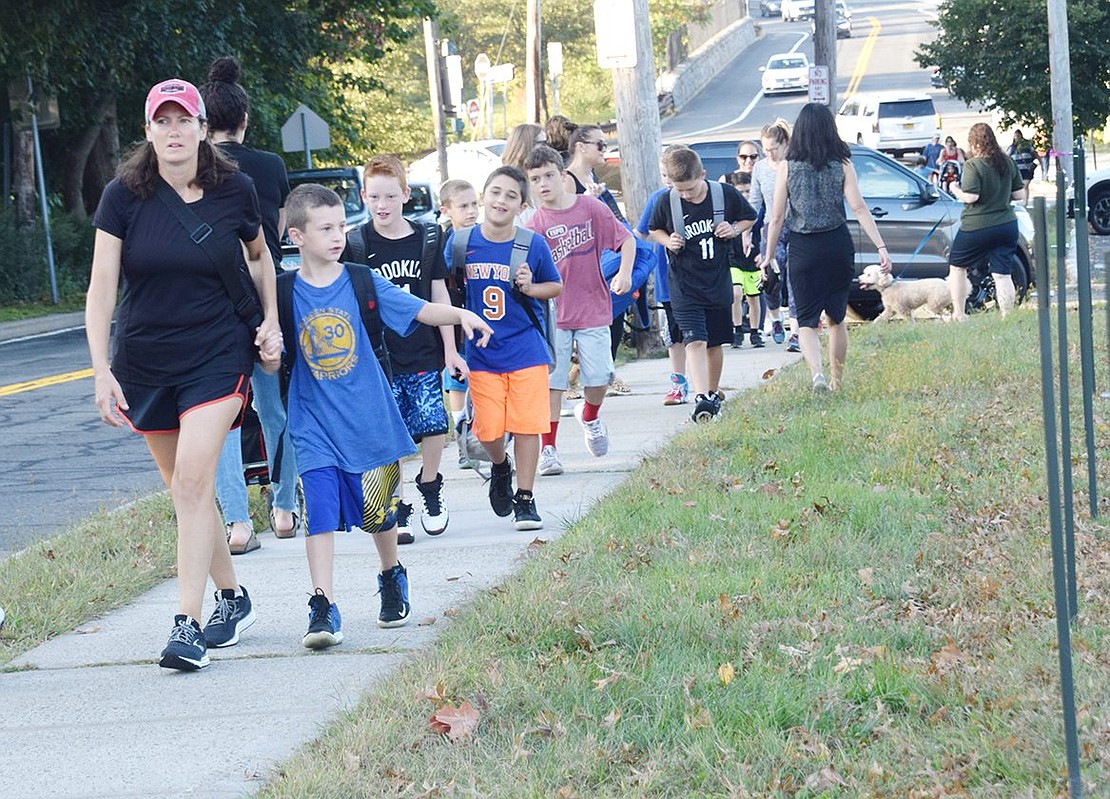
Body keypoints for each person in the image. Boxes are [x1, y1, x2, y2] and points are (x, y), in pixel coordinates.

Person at [86, 78, 282, 671]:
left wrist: (270, 320)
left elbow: (260, 258)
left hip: (218, 354)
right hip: (145, 360)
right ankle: (233, 596)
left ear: (202, 128)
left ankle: (186, 624)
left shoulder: (236, 190)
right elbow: (100, 291)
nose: (173, 131)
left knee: (194, 484)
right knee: (186, 492)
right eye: (162, 121)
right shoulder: (123, 197)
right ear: (148, 131)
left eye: (184, 120)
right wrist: (100, 370)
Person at [281, 184, 490, 648]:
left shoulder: (359, 280)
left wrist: (461, 315)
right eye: (326, 228)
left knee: (379, 515)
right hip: (313, 422)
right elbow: (268, 345)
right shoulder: (281, 291)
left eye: (340, 226)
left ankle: (391, 573)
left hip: (369, 419)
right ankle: (322, 605)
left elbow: (417, 308)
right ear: (296, 235)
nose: (338, 236)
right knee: (318, 514)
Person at [200, 56, 297, 555]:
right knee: (276, 404)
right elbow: (275, 234)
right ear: (244, 119)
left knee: (220, 413)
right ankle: (284, 508)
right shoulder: (269, 166)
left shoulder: (194, 171)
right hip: (268, 293)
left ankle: (237, 523)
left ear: (202, 123)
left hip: (215, 300)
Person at [342, 155, 465, 545]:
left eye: (390, 196)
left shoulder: (428, 238)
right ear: (363, 196)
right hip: (380, 356)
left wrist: (450, 349)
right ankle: (396, 502)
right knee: (389, 433)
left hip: (423, 348)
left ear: (405, 195)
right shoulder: (356, 243)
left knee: (432, 424)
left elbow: (438, 291)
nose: (382, 205)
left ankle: (430, 486)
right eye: (374, 196)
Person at [444, 166, 562, 528]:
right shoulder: (461, 242)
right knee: (488, 431)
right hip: (481, 353)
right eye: (496, 192)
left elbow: (553, 287)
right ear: (484, 196)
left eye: (511, 196)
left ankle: (525, 497)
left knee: (528, 426)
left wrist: (530, 287)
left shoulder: (531, 243)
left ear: (521, 204)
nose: (501, 200)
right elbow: (446, 292)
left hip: (525, 348)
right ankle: (500, 465)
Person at [760, 102, 892, 393]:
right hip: (837, 245)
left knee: (806, 320)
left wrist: (768, 256)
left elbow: (778, 217)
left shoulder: (787, 167)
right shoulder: (842, 164)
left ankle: (817, 374)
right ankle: (837, 382)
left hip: (804, 248)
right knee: (836, 317)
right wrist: (880, 246)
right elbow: (858, 207)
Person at [524, 145, 635, 475]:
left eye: (548, 176)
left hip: (593, 307)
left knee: (599, 376)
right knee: (552, 384)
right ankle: (549, 448)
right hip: (554, 315)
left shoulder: (590, 209)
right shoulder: (534, 225)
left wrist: (625, 273)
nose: (543, 184)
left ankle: (589, 416)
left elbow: (625, 240)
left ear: (562, 175)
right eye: (535, 179)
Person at [648, 147, 756, 422]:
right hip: (684, 284)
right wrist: (666, 241)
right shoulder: (666, 201)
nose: (686, 195)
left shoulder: (724, 194)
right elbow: (654, 229)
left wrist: (734, 229)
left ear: (703, 176)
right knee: (694, 339)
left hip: (716, 280)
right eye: (680, 190)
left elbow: (749, 217)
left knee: (714, 343)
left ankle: (711, 390)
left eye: (691, 189)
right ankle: (701, 397)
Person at [946, 122, 1025, 321]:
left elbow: (971, 197)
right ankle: (1007, 317)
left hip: (978, 226)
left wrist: (955, 189)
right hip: (1007, 225)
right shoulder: (1007, 161)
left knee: (957, 266)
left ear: (974, 143)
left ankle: (959, 313)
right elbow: (1019, 194)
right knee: (1002, 275)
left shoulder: (974, 164)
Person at [637, 146, 689, 406]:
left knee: (703, 335)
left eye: (671, 175)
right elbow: (642, 233)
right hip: (668, 279)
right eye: (664, 175)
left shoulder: (699, 195)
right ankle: (678, 384)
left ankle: (708, 384)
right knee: (675, 335)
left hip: (699, 279)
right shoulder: (658, 198)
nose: (668, 181)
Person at [438, 179, 481, 469]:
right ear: (447, 211)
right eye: (463, 206)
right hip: (457, 318)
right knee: (457, 381)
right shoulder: (448, 243)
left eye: (474, 204)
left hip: (482, 318)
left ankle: (477, 435)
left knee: (479, 380)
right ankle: (463, 434)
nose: (471, 211)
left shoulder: (484, 236)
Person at [750, 120, 798, 352]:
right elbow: (754, 203)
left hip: (796, 224)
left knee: (795, 278)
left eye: (774, 149)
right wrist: (747, 232)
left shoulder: (794, 164)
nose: (770, 154)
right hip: (771, 226)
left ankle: (797, 332)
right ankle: (776, 318)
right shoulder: (760, 168)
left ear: (785, 144)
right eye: (766, 149)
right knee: (771, 277)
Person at [728, 171, 765, 349]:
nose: (744, 196)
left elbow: (765, 232)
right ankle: (737, 329)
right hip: (734, 258)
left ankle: (755, 331)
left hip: (753, 259)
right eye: (740, 192)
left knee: (753, 297)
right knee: (736, 293)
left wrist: (763, 252)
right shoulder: (730, 210)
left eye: (748, 191)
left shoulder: (758, 211)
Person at [1006, 129, 1036, 206]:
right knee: (1019, 186)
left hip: (1027, 169)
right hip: (1017, 170)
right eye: (1015, 136)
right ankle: (1021, 200)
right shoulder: (1012, 148)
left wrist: (1040, 164)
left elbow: (1035, 155)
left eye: (1018, 136)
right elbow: (1006, 157)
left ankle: (1025, 202)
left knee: (1025, 186)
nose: (1017, 138)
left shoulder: (1027, 146)